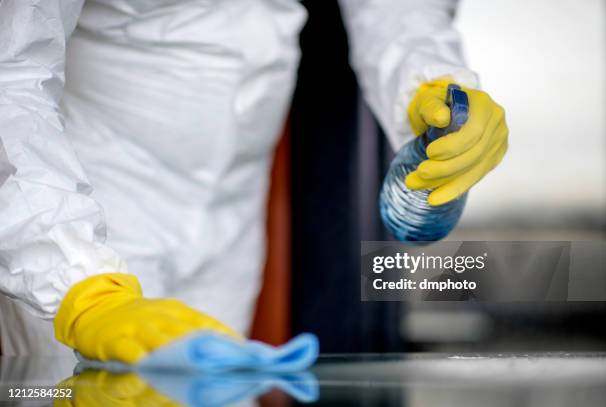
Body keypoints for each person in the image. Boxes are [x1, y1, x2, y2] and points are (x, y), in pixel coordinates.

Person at [0, 0, 508, 362]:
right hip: (82, 217)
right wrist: (76, 285)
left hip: (233, 222)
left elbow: (392, 11)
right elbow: (10, 79)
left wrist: (431, 80)